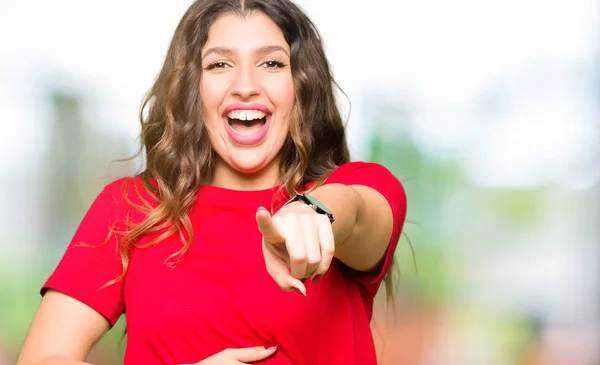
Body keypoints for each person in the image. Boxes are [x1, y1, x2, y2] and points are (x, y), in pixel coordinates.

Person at [17, 0, 407, 364]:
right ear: (193, 88)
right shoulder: (132, 207)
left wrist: (313, 213)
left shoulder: (359, 188)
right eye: (220, 65)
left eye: (271, 64)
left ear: (300, 85)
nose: (245, 85)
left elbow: (355, 211)